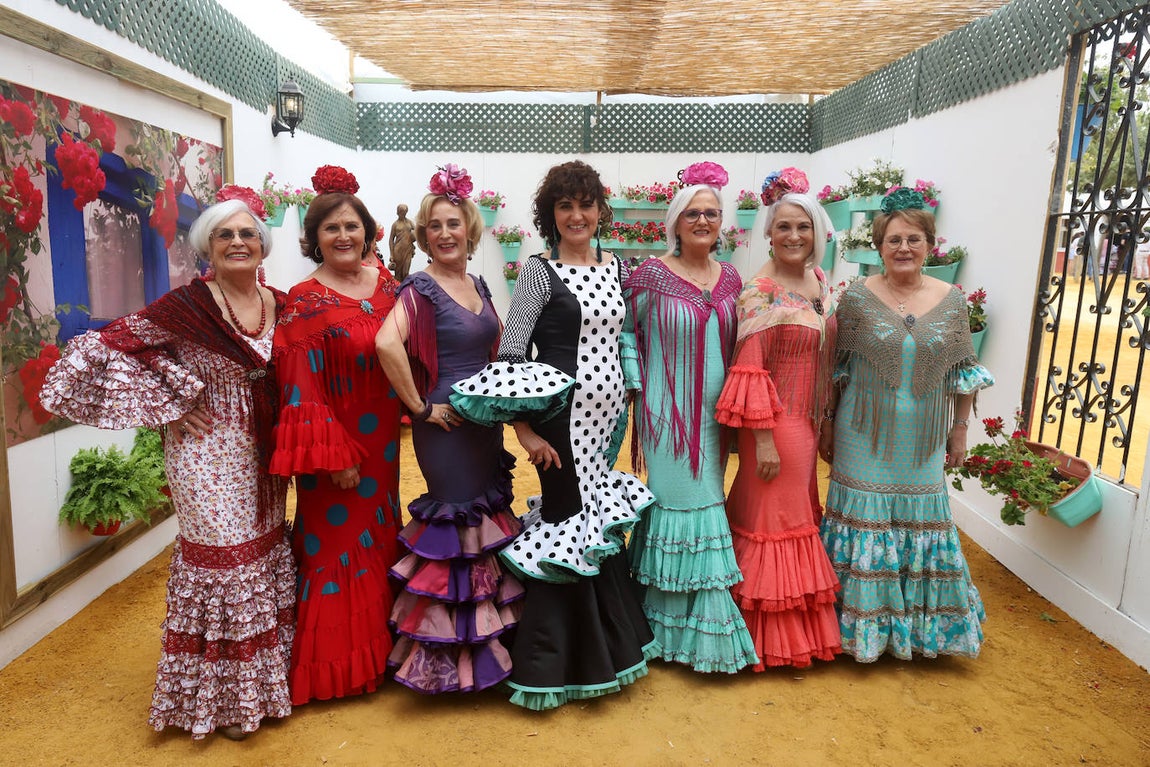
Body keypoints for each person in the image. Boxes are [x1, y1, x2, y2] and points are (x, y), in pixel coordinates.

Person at [40, 200, 293, 740]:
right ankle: (225, 702)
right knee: (224, 562)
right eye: (224, 234)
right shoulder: (187, 304)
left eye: (248, 233)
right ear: (207, 246)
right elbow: (109, 347)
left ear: (263, 243)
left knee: (263, 549)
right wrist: (170, 400)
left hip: (268, 451)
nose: (238, 242)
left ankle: (267, 684)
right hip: (204, 450)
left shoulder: (282, 303)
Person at [450, 160, 657, 710]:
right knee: (568, 521)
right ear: (551, 215)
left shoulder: (617, 267)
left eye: (585, 203)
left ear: (599, 210)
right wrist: (523, 430)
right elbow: (512, 352)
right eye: (565, 206)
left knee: (594, 517)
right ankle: (554, 659)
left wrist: (631, 405)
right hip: (559, 421)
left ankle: (603, 644)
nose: (577, 214)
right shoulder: (538, 271)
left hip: (607, 418)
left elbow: (623, 341)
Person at [818, 187, 993, 662]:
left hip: (922, 440)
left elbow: (963, 371)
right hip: (861, 431)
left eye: (913, 239)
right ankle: (857, 632)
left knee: (924, 518)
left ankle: (919, 634)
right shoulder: (854, 298)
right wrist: (829, 424)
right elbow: (837, 368)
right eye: (893, 240)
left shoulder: (953, 301)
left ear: (930, 245)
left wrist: (960, 428)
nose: (903, 248)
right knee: (865, 518)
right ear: (879, 247)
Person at [375, 165, 525, 693]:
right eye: (433, 225)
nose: (443, 233)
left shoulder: (476, 282)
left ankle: (490, 652)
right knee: (457, 530)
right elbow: (386, 345)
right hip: (446, 427)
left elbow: (494, 345)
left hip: (482, 427)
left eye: (452, 224)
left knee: (484, 522)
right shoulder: (419, 286)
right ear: (421, 235)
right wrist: (419, 408)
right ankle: (449, 664)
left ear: (470, 230)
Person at [269, 165, 402, 705]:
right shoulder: (304, 299)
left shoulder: (389, 286)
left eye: (352, 227)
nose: (344, 236)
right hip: (336, 451)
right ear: (314, 238)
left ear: (369, 233)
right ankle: (337, 670)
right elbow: (299, 389)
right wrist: (332, 458)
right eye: (331, 229)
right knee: (336, 547)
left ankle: (382, 653)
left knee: (381, 536)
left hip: (386, 445)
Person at [624, 161, 757, 673]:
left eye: (712, 214)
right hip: (666, 416)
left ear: (721, 223)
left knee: (710, 500)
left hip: (715, 416)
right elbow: (627, 334)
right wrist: (639, 389)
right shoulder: (650, 276)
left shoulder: (731, 279)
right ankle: (670, 627)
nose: (703, 221)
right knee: (682, 504)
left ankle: (686, 626)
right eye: (693, 213)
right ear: (676, 222)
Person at [714, 169, 842, 668]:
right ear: (768, 231)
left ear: (817, 232)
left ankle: (789, 638)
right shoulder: (759, 289)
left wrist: (826, 421)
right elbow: (749, 369)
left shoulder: (818, 280)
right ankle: (761, 639)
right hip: (776, 425)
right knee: (773, 522)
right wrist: (762, 439)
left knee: (791, 516)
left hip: (807, 425)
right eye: (784, 226)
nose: (793, 236)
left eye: (803, 227)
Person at [389, 203, 417, 281]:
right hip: (397, 251)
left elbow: (417, 232)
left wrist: (414, 237)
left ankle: (406, 290)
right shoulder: (395, 224)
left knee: (406, 272)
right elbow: (391, 239)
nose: (403, 214)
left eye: (404, 212)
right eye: (401, 212)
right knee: (397, 274)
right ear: (398, 212)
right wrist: (391, 254)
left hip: (408, 249)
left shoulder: (409, 222)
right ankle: (398, 291)